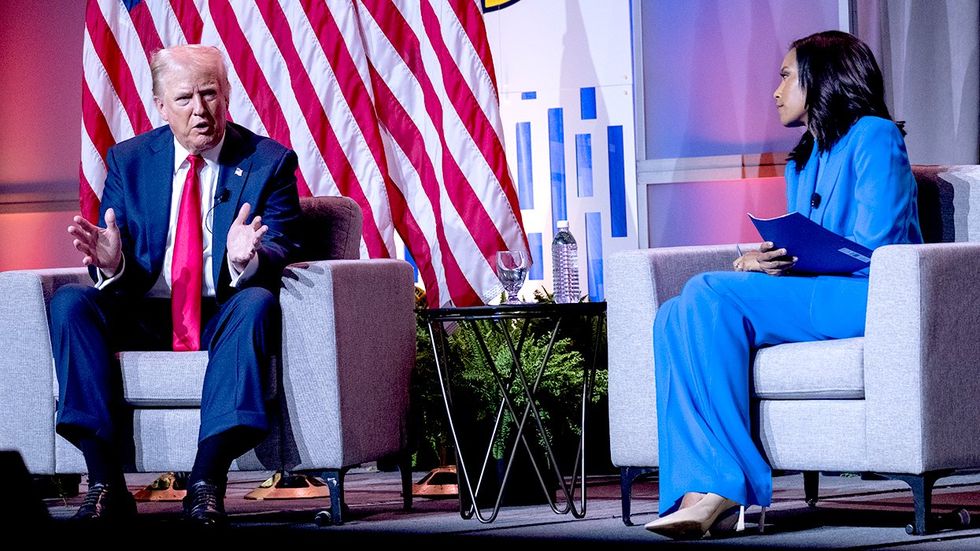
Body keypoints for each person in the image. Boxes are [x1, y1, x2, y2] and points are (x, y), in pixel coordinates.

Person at [644, 31, 923, 539]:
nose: (776, 91)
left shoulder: (876, 136)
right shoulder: (803, 158)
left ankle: (729, 484)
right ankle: (695, 491)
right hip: (814, 292)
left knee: (708, 290)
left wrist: (801, 254)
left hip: (868, 298)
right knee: (674, 313)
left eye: (786, 76)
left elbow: (877, 244)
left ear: (823, 77)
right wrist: (764, 259)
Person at [51, 44, 301, 526]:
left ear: (227, 95)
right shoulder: (130, 160)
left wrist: (245, 258)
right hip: (143, 310)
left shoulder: (269, 162)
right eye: (185, 98)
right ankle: (104, 483)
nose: (201, 110)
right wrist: (113, 261)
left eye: (210, 94)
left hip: (220, 311)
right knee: (70, 304)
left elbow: (285, 246)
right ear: (161, 105)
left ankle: (207, 482)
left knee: (254, 303)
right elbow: (113, 236)